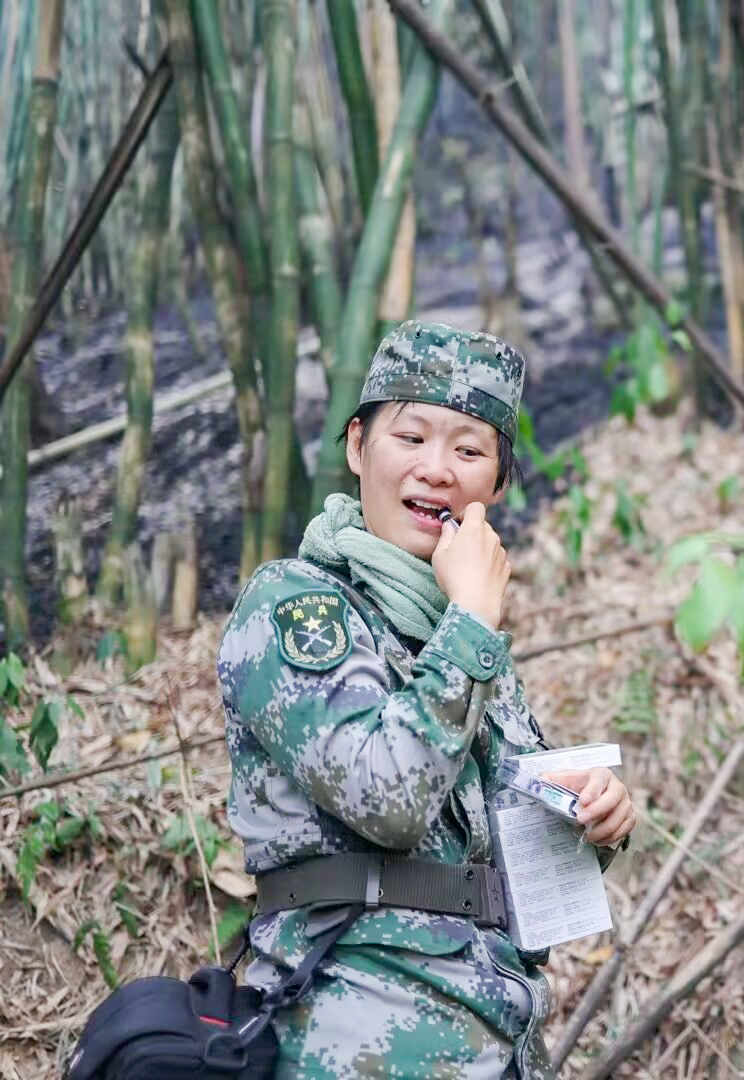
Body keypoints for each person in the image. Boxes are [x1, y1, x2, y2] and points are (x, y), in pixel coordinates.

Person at [218, 321, 636, 1078]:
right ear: (356, 448)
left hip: (498, 1035)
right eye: (410, 438)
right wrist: (472, 624)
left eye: (470, 450)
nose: (437, 470)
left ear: (499, 484)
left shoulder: (464, 640)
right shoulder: (298, 606)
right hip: (353, 1031)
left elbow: (522, 865)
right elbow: (386, 798)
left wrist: (594, 821)